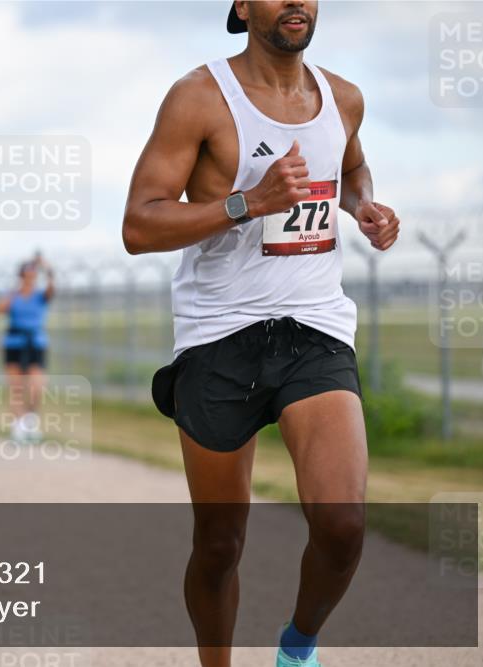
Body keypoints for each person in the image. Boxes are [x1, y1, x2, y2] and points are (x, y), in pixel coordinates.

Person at [122, 2, 400, 666]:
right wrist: (250, 201)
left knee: (342, 524)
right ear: (243, 6)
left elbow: (351, 167)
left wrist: (363, 205)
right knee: (220, 542)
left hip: (314, 326)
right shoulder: (198, 97)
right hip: (219, 334)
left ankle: (296, 648)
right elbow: (139, 225)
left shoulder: (345, 97)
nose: (296, 2)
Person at [0, 253, 54, 444]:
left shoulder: (40, 296)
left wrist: (46, 267)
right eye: (27, 274)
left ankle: (30, 420)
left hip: (35, 342)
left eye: (33, 274)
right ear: (21, 276)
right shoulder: (14, 295)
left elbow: (51, 289)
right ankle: (18, 426)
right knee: (17, 387)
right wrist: (17, 291)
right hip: (14, 342)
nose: (30, 278)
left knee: (37, 386)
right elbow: (0, 309)